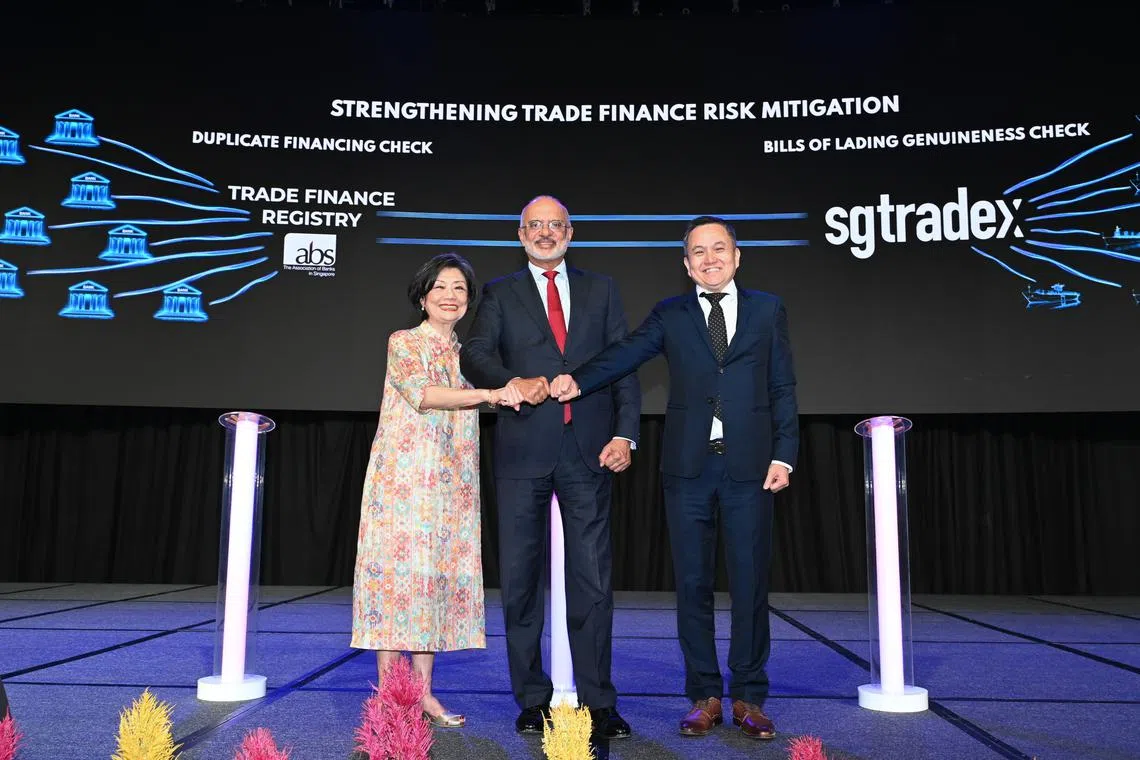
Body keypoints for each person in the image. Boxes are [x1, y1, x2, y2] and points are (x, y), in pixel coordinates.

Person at [551, 215, 799, 741]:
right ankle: (705, 696)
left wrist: (785, 455)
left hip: (750, 469)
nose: (710, 259)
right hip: (686, 470)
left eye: (719, 249)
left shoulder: (767, 309)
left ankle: (749, 697)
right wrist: (577, 380)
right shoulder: (671, 313)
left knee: (751, 584)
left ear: (737, 256)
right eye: (698, 252)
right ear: (686, 264)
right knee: (692, 586)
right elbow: (626, 355)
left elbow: (782, 386)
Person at [459, 195, 641, 739]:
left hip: (589, 450)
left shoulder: (602, 289)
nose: (544, 233)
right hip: (522, 450)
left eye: (554, 225)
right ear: (519, 234)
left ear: (570, 231)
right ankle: (532, 698)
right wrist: (507, 384)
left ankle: (599, 702)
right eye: (534, 226)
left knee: (594, 580)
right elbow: (475, 353)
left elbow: (625, 364)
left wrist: (625, 431)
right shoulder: (498, 293)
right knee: (519, 582)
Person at [350, 252, 525, 728]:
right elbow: (424, 394)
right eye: (441, 287)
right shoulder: (404, 342)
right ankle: (391, 696)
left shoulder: (470, 355)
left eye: (460, 289)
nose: (450, 296)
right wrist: (493, 393)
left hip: (453, 488)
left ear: (469, 301)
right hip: (404, 483)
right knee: (396, 584)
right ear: (423, 296)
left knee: (431, 589)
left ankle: (422, 694)